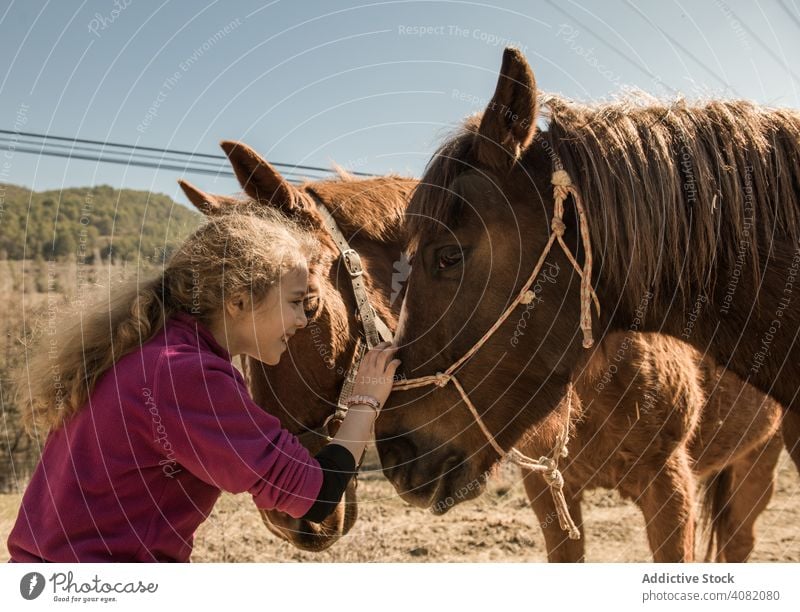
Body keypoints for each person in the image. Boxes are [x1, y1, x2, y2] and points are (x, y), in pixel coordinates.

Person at [6, 211, 399, 562]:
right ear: (238, 301)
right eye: (296, 301)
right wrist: (365, 401)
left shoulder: (145, 352)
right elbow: (315, 495)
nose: (301, 320)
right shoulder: (184, 375)